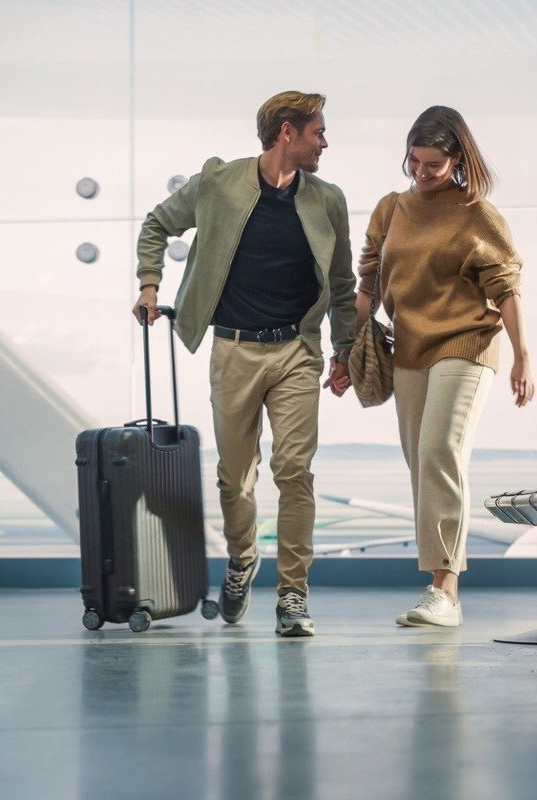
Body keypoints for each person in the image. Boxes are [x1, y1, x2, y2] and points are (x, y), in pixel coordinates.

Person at [133, 90, 356, 637]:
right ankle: (241, 561)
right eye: (317, 132)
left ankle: (293, 597)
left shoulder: (327, 199)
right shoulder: (218, 183)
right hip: (233, 349)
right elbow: (157, 224)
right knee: (236, 479)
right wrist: (148, 283)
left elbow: (344, 285)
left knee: (295, 472)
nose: (324, 142)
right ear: (287, 132)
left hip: (296, 352)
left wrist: (344, 350)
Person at [356, 106, 534, 628]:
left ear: (457, 158)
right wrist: (346, 352)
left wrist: (524, 355)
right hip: (409, 348)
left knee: (440, 450)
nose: (421, 172)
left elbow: (506, 289)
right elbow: (367, 283)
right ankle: (439, 585)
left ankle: (445, 592)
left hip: (467, 343)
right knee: (421, 462)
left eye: (433, 164)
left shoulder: (478, 214)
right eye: (414, 160)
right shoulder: (391, 209)